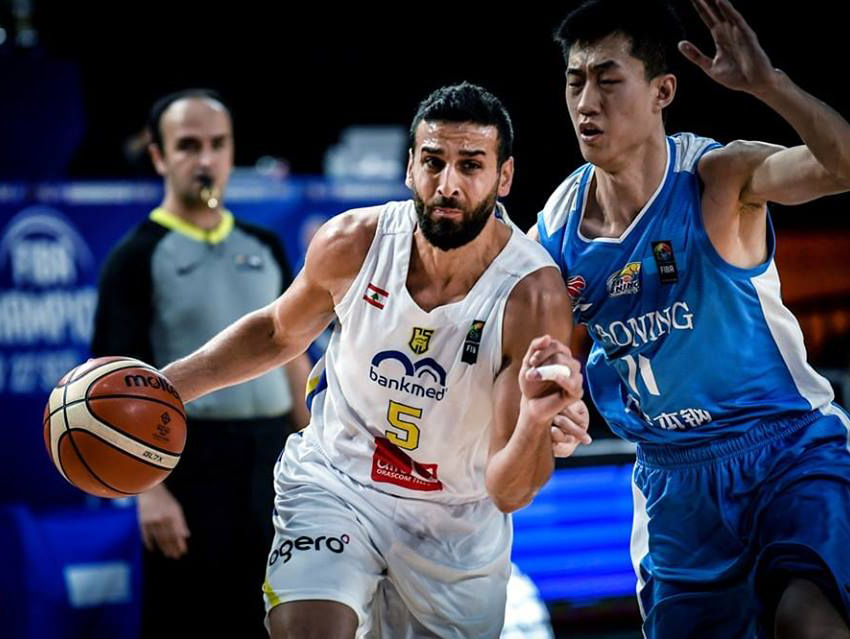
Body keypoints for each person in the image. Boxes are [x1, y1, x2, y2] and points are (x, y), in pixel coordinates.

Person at [151, 82, 591, 638]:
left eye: (470, 165)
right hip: (338, 481)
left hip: (455, 521)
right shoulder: (354, 241)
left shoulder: (532, 295)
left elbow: (509, 491)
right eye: (432, 162)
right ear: (409, 167)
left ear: (504, 177)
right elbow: (277, 331)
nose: (447, 184)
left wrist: (533, 422)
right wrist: (164, 388)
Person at [533, 1, 850, 637]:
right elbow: (519, 336)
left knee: (807, 622)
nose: (586, 102)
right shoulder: (557, 228)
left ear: (662, 91)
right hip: (673, 478)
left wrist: (770, 86)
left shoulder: (718, 179)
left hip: (786, 448)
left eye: (608, 80)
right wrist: (550, 395)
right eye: (574, 80)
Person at [90, 89, 312, 637]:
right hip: (186, 464)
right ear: (159, 156)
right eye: (188, 146)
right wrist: (148, 495)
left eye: (218, 144)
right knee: (189, 620)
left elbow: (292, 357)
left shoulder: (264, 245)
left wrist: (322, 457)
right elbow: (111, 393)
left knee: (274, 619)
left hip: (273, 462)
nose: (206, 159)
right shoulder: (135, 257)